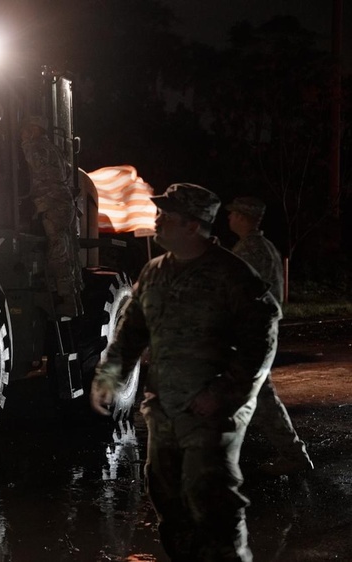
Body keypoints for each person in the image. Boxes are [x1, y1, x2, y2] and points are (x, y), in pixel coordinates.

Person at [91, 183, 281, 561]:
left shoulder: (232, 275)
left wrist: (224, 394)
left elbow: (262, 339)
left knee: (212, 503)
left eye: (166, 216)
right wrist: (109, 378)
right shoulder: (155, 272)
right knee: (168, 502)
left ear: (193, 226)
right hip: (164, 408)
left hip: (210, 411)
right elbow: (130, 334)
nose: (156, 221)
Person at [226, 196, 314, 475]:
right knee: (261, 396)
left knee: (236, 392)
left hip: (250, 330)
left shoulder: (249, 250)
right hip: (260, 328)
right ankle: (294, 456)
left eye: (232, 214)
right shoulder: (264, 247)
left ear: (242, 217)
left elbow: (236, 291)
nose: (228, 219)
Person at [20, 114, 82, 316]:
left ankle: (68, 301)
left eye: (27, 128)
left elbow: (34, 163)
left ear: (35, 130)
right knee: (66, 249)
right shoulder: (54, 148)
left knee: (58, 251)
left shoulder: (38, 148)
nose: (24, 132)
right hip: (63, 203)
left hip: (54, 205)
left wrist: (23, 144)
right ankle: (72, 297)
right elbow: (69, 171)